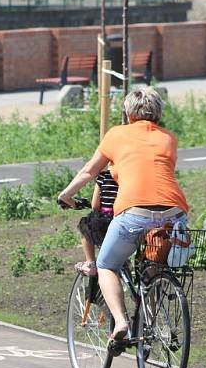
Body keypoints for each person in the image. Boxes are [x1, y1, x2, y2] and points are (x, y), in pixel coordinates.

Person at [58, 87, 189, 343]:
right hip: (175, 214)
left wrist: (65, 195)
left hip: (134, 213)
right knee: (151, 264)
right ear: (159, 113)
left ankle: (120, 322)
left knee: (107, 264)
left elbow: (89, 171)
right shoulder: (169, 138)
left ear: (128, 113)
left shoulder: (116, 135)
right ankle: (153, 308)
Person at [73, 168, 118, 276]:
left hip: (104, 219)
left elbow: (95, 205)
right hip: (122, 215)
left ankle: (90, 263)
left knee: (85, 228)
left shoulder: (104, 176)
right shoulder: (127, 174)